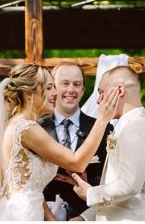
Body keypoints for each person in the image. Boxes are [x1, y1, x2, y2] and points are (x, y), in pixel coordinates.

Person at [0, 63, 121, 221]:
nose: (55, 93)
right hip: (23, 215)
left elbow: (30, 188)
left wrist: (52, 220)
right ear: (29, 93)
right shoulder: (27, 128)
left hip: (23, 210)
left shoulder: (15, 125)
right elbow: (76, 162)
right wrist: (103, 119)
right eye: (49, 88)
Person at [72, 65, 145, 221]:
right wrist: (85, 217)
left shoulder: (137, 128)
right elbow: (119, 196)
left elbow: (129, 186)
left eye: (101, 92)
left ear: (120, 91)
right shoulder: (126, 127)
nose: (98, 100)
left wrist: (90, 193)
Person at [39, 63, 109, 219]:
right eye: (65, 83)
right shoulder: (36, 129)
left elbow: (111, 182)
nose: (71, 90)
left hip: (87, 216)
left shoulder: (103, 129)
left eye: (77, 84)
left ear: (83, 90)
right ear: (53, 88)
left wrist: (86, 217)